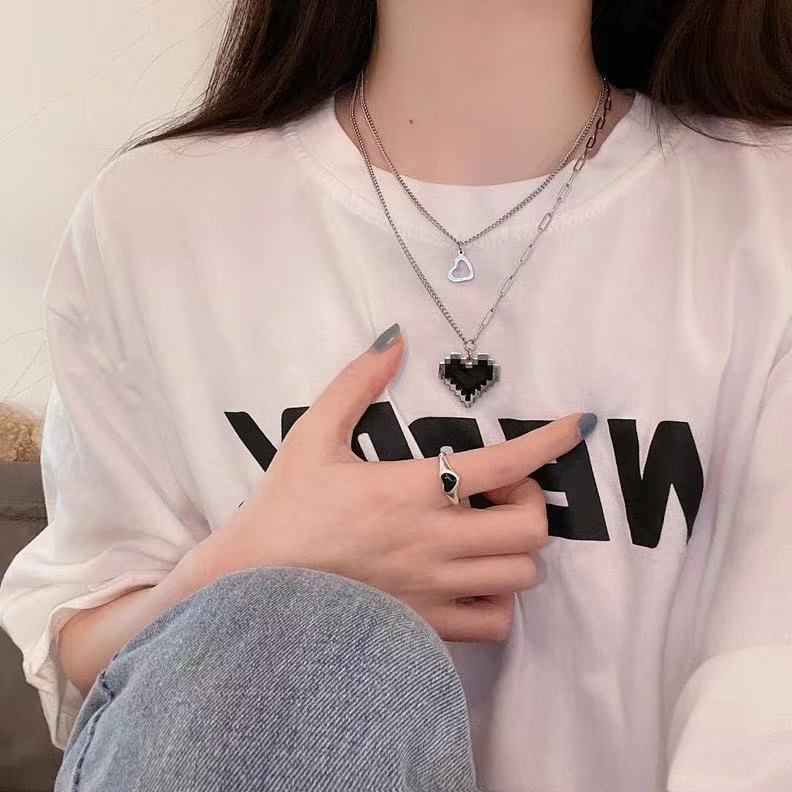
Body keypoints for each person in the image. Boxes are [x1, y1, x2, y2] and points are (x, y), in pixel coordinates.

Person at [1, 1, 791, 790]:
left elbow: (764, 711)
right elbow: (87, 652)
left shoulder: (767, 213)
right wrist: (254, 576)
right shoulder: (156, 219)